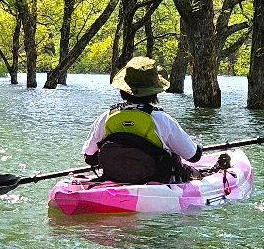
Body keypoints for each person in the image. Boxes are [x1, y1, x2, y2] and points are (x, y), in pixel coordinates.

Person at [82, 56, 203, 184]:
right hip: (158, 183)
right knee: (192, 171)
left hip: (115, 178)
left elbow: (89, 156)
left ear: (123, 90)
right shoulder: (162, 120)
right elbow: (193, 156)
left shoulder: (106, 117)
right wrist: (198, 145)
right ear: (154, 92)